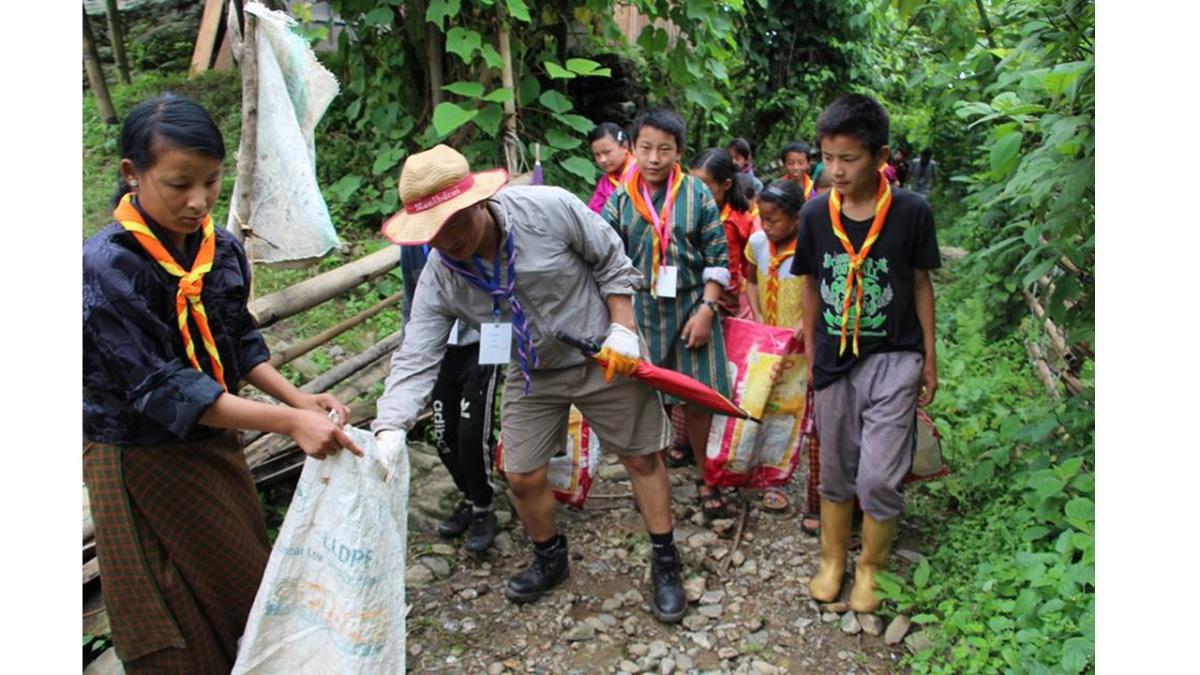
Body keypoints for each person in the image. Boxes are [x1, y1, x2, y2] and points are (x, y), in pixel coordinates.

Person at [83, 94, 362, 672]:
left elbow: (236, 341)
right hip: (139, 456)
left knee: (243, 581)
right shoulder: (107, 268)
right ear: (132, 174)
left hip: (214, 441)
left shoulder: (221, 249)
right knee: (165, 606)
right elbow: (162, 387)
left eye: (211, 182)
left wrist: (296, 397)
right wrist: (288, 422)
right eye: (179, 184)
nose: (198, 201)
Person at [373, 144, 687, 623]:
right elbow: (418, 352)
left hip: (601, 349)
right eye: (431, 231)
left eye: (453, 221)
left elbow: (609, 258)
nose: (446, 238)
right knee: (520, 473)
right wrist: (390, 427)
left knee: (641, 456)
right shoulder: (441, 275)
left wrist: (622, 328)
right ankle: (550, 556)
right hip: (531, 364)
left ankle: (665, 559)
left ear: (477, 202)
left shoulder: (548, 208)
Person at [792, 94, 940, 613]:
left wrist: (930, 356)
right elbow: (810, 287)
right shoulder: (813, 215)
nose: (835, 170)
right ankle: (832, 560)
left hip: (896, 358)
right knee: (835, 469)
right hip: (834, 363)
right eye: (827, 157)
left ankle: (871, 567)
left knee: (878, 473)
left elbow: (921, 284)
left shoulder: (911, 212)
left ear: (881, 156)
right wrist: (812, 357)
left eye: (848, 159)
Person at [603, 108, 735, 520]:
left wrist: (707, 310)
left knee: (697, 401)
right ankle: (652, 478)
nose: (654, 158)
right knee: (647, 401)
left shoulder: (697, 196)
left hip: (692, 308)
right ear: (633, 149)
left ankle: (705, 476)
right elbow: (605, 255)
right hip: (640, 313)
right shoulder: (621, 200)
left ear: (679, 151)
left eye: (665, 149)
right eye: (646, 148)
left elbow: (718, 256)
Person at [398, 245, 500, 553]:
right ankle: (468, 495)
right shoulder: (413, 247)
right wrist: (410, 343)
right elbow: (410, 290)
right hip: (440, 344)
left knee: (472, 431)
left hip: (484, 341)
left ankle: (484, 506)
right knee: (444, 433)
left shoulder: (474, 230)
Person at [743, 180, 818, 526]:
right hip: (769, 338)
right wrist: (756, 314)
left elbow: (818, 289)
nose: (767, 226)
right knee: (765, 403)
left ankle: (788, 473)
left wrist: (806, 321)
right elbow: (751, 279)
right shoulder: (758, 243)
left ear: (797, 218)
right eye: (763, 218)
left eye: (774, 220)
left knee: (795, 407)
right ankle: (764, 470)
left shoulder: (810, 247)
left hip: (801, 343)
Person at [689, 147, 757, 319]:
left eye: (706, 187)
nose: (698, 193)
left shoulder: (735, 221)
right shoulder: (690, 212)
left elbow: (735, 272)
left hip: (720, 303)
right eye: (693, 186)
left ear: (726, 184)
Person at [586, 122, 636, 214]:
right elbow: (593, 214)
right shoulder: (605, 183)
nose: (602, 160)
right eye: (597, 155)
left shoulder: (642, 171)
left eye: (607, 152)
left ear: (625, 146)